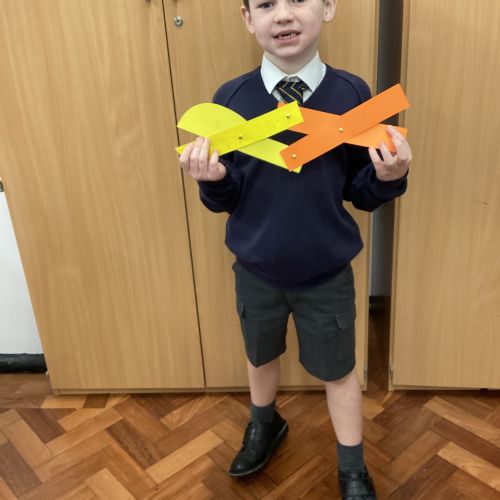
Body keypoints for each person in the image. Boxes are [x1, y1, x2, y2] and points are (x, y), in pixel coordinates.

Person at [179, 0, 412, 498]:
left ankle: (352, 466)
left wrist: (390, 176)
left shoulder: (352, 94)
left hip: (326, 273)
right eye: (266, 4)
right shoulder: (230, 100)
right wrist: (213, 180)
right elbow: (227, 197)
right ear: (248, 19)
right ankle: (264, 423)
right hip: (256, 268)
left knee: (340, 369)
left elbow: (361, 190)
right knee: (260, 355)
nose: (283, 15)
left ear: (327, 7)